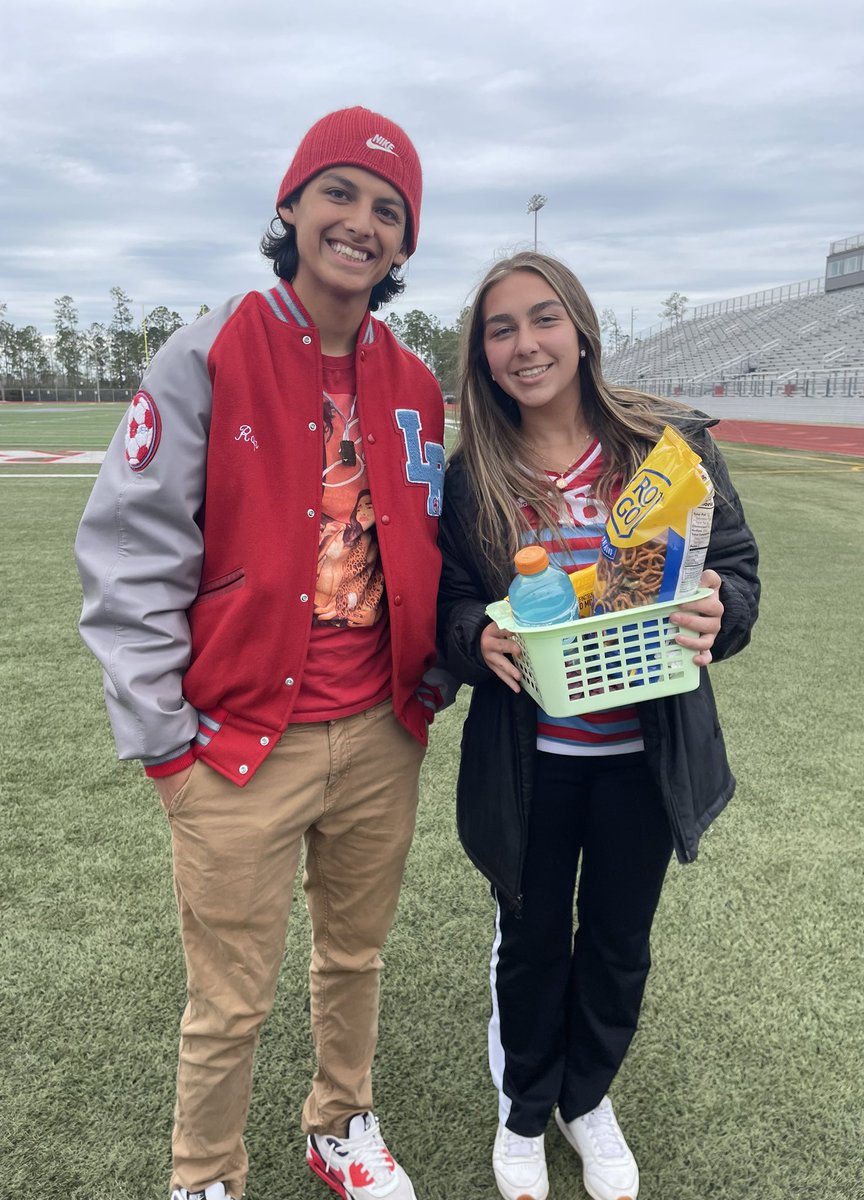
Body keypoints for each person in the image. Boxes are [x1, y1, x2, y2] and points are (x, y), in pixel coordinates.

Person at [75, 106, 453, 1200]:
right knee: (229, 997)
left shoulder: (417, 383)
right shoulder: (205, 354)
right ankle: (205, 1175)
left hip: (381, 731)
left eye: (390, 211)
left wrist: (430, 680)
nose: (362, 223)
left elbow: (426, 544)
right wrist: (163, 745)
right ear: (289, 208)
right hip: (238, 742)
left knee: (355, 956)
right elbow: (130, 556)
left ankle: (339, 1125)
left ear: (403, 245)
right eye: (339, 193)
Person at [437, 252, 760, 1200]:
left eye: (544, 321)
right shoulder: (473, 476)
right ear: (482, 353)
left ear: (580, 329)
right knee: (533, 943)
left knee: (619, 941)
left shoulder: (671, 447)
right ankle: (526, 1109)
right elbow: (454, 600)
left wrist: (718, 608)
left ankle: (587, 1099)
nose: (526, 345)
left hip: (644, 760)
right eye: (501, 329)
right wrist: (472, 639)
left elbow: (735, 570)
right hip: (534, 759)